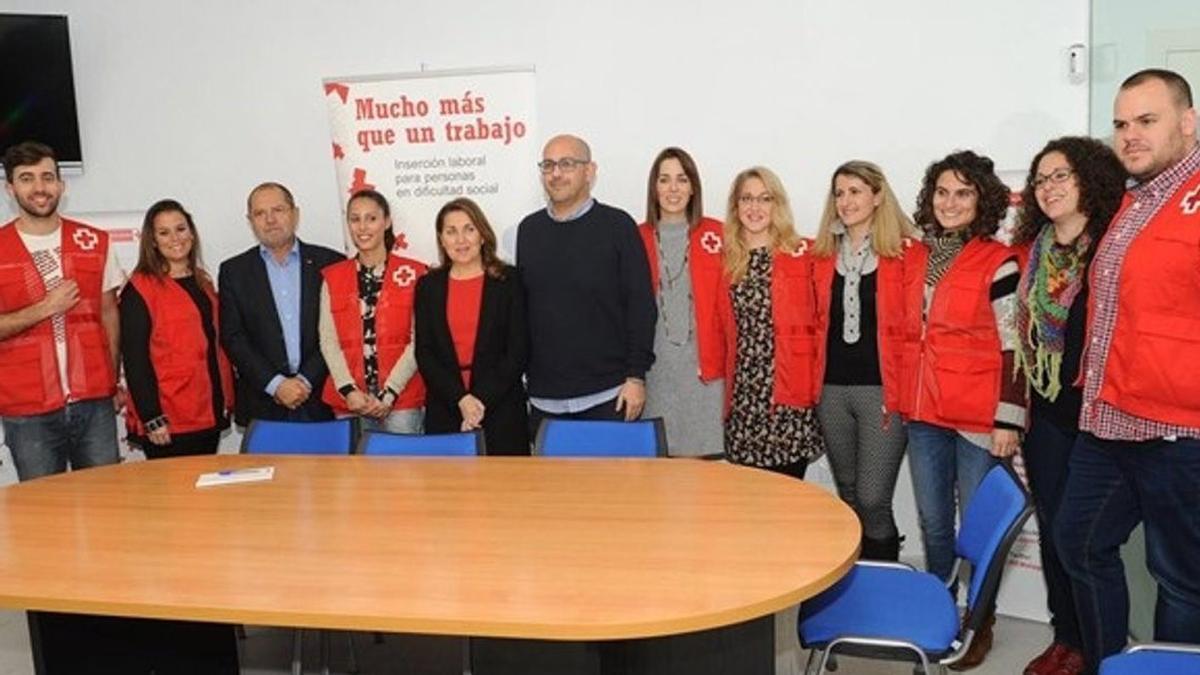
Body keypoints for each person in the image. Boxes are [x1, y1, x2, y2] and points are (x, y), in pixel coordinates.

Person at [1054, 68, 1200, 674]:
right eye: (1120, 123)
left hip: (1176, 431)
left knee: (1183, 580)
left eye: (1147, 120)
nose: (1130, 135)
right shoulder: (1136, 197)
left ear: (1187, 123)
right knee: (1078, 541)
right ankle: (1111, 662)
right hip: (1110, 418)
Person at [904, 150, 1024, 670]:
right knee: (933, 522)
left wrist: (1009, 418)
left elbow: (1014, 345)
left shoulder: (999, 261)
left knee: (978, 530)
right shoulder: (914, 256)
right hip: (923, 410)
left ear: (983, 201)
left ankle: (981, 619)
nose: (950, 203)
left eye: (963, 193)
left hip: (978, 416)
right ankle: (939, 608)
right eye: (943, 192)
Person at [1010, 138, 1126, 675]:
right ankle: (1067, 638)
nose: (1049, 187)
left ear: (1089, 181)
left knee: (1087, 542)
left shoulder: (1111, 247)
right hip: (1048, 418)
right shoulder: (1034, 252)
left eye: (1060, 176)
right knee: (1057, 531)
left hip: (1100, 419)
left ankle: (1099, 648)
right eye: (1041, 180)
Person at [810, 160, 927, 560]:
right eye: (839, 193)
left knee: (874, 498)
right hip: (831, 391)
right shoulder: (821, 254)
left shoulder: (906, 254)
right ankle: (856, 585)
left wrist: (903, 392)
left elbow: (916, 330)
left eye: (855, 191)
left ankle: (884, 580)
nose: (846, 201)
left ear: (878, 196)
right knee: (849, 497)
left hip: (882, 391)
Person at [516, 134, 656, 436]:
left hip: (609, 395)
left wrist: (636, 377)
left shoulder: (618, 226)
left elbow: (641, 306)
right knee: (554, 486)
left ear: (590, 171)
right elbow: (524, 312)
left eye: (567, 164)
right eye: (548, 165)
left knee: (610, 485)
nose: (556, 173)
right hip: (545, 401)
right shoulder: (529, 231)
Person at [0, 141, 122, 481]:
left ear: (61, 185)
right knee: (43, 513)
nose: (39, 188)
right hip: (27, 409)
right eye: (27, 178)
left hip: (94, 401)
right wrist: (44, 309)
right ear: (10, 188)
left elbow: (110, 313)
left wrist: (111, 380)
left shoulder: (95, 241)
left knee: (105, 502)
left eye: (47, 177)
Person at [715, 167, 826, 479]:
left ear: (778, 204)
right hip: (743, 401)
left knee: (789, 507)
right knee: (748, 509)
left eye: (765, 199)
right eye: (747, 199)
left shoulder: (803, 253)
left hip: (789, 400)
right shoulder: (725, 260)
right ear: (735, 207)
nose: (755, 207)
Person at [218, 182, 342, 426]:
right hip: (263, 404)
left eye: (278, 210)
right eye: (260, 213)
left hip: (320, 400)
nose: (270, 220)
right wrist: (276, 385)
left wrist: (306, 380)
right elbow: (234, 337)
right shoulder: (234, 271)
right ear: (250, 221)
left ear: (295, 214)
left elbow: (339, 331)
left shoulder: (331, 263)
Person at [121, 199, 235, 457]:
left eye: (180, 229)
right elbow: (135, 359)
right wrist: (151, 416)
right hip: (168, 418)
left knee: (205, 492)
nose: (175, 238)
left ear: (192, 233)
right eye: (164, 232)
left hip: (209, 408)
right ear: (152, 241)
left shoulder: (203, 282)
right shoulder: (139, 289)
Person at [415, 197, 529, 453]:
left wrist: (478, 401)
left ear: (482, 235)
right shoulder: (428, 286)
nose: (461, 240)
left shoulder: (508, 281)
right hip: (446, 407)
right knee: (451, 491)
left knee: (507, 490)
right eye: (451, 232)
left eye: (469, 229)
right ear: (441, 240)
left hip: (501, 408)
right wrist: (461, 400)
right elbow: (425, 353)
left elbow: (518, 351)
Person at [636, 147, 725, 457]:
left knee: (710, 486)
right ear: (654, 187)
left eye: (682, 179)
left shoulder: (719, 235)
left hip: (707, 382)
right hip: (655, 378)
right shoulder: (635, 238)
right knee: (660, 483)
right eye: (664, 179)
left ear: (693, 187)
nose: (673, 188)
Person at [319, 189, 425, 433]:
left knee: (402, 470)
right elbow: (328, 340)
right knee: (353, 471)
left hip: (401, 400)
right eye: (355, 219)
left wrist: (390, 392)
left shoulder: (415, 274)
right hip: (350, 401)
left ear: (386, 222)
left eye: (371, 218)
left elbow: (419, 341)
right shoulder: (333, 277)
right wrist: (348, 390)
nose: (363, 227)